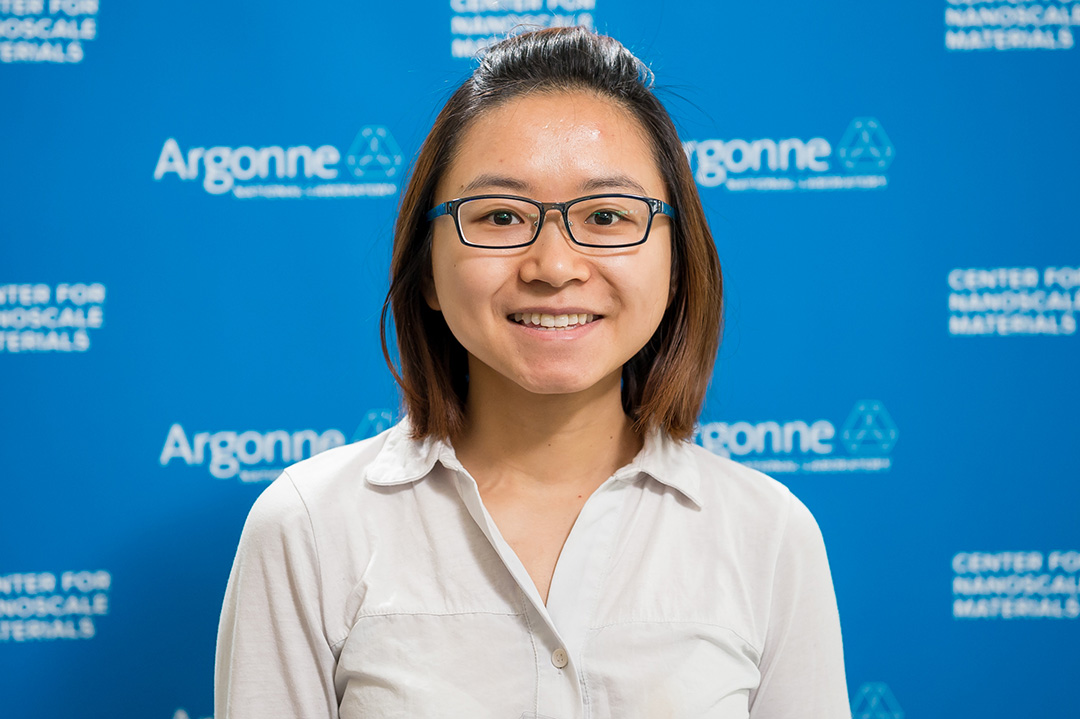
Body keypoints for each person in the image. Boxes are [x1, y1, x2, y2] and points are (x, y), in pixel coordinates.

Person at [215, 26, 847, 719]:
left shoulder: (769, 535)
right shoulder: (309, 528)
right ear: (427, 266)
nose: (553, 265)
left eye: (607, 215)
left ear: (675, 265)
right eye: (500, 216)